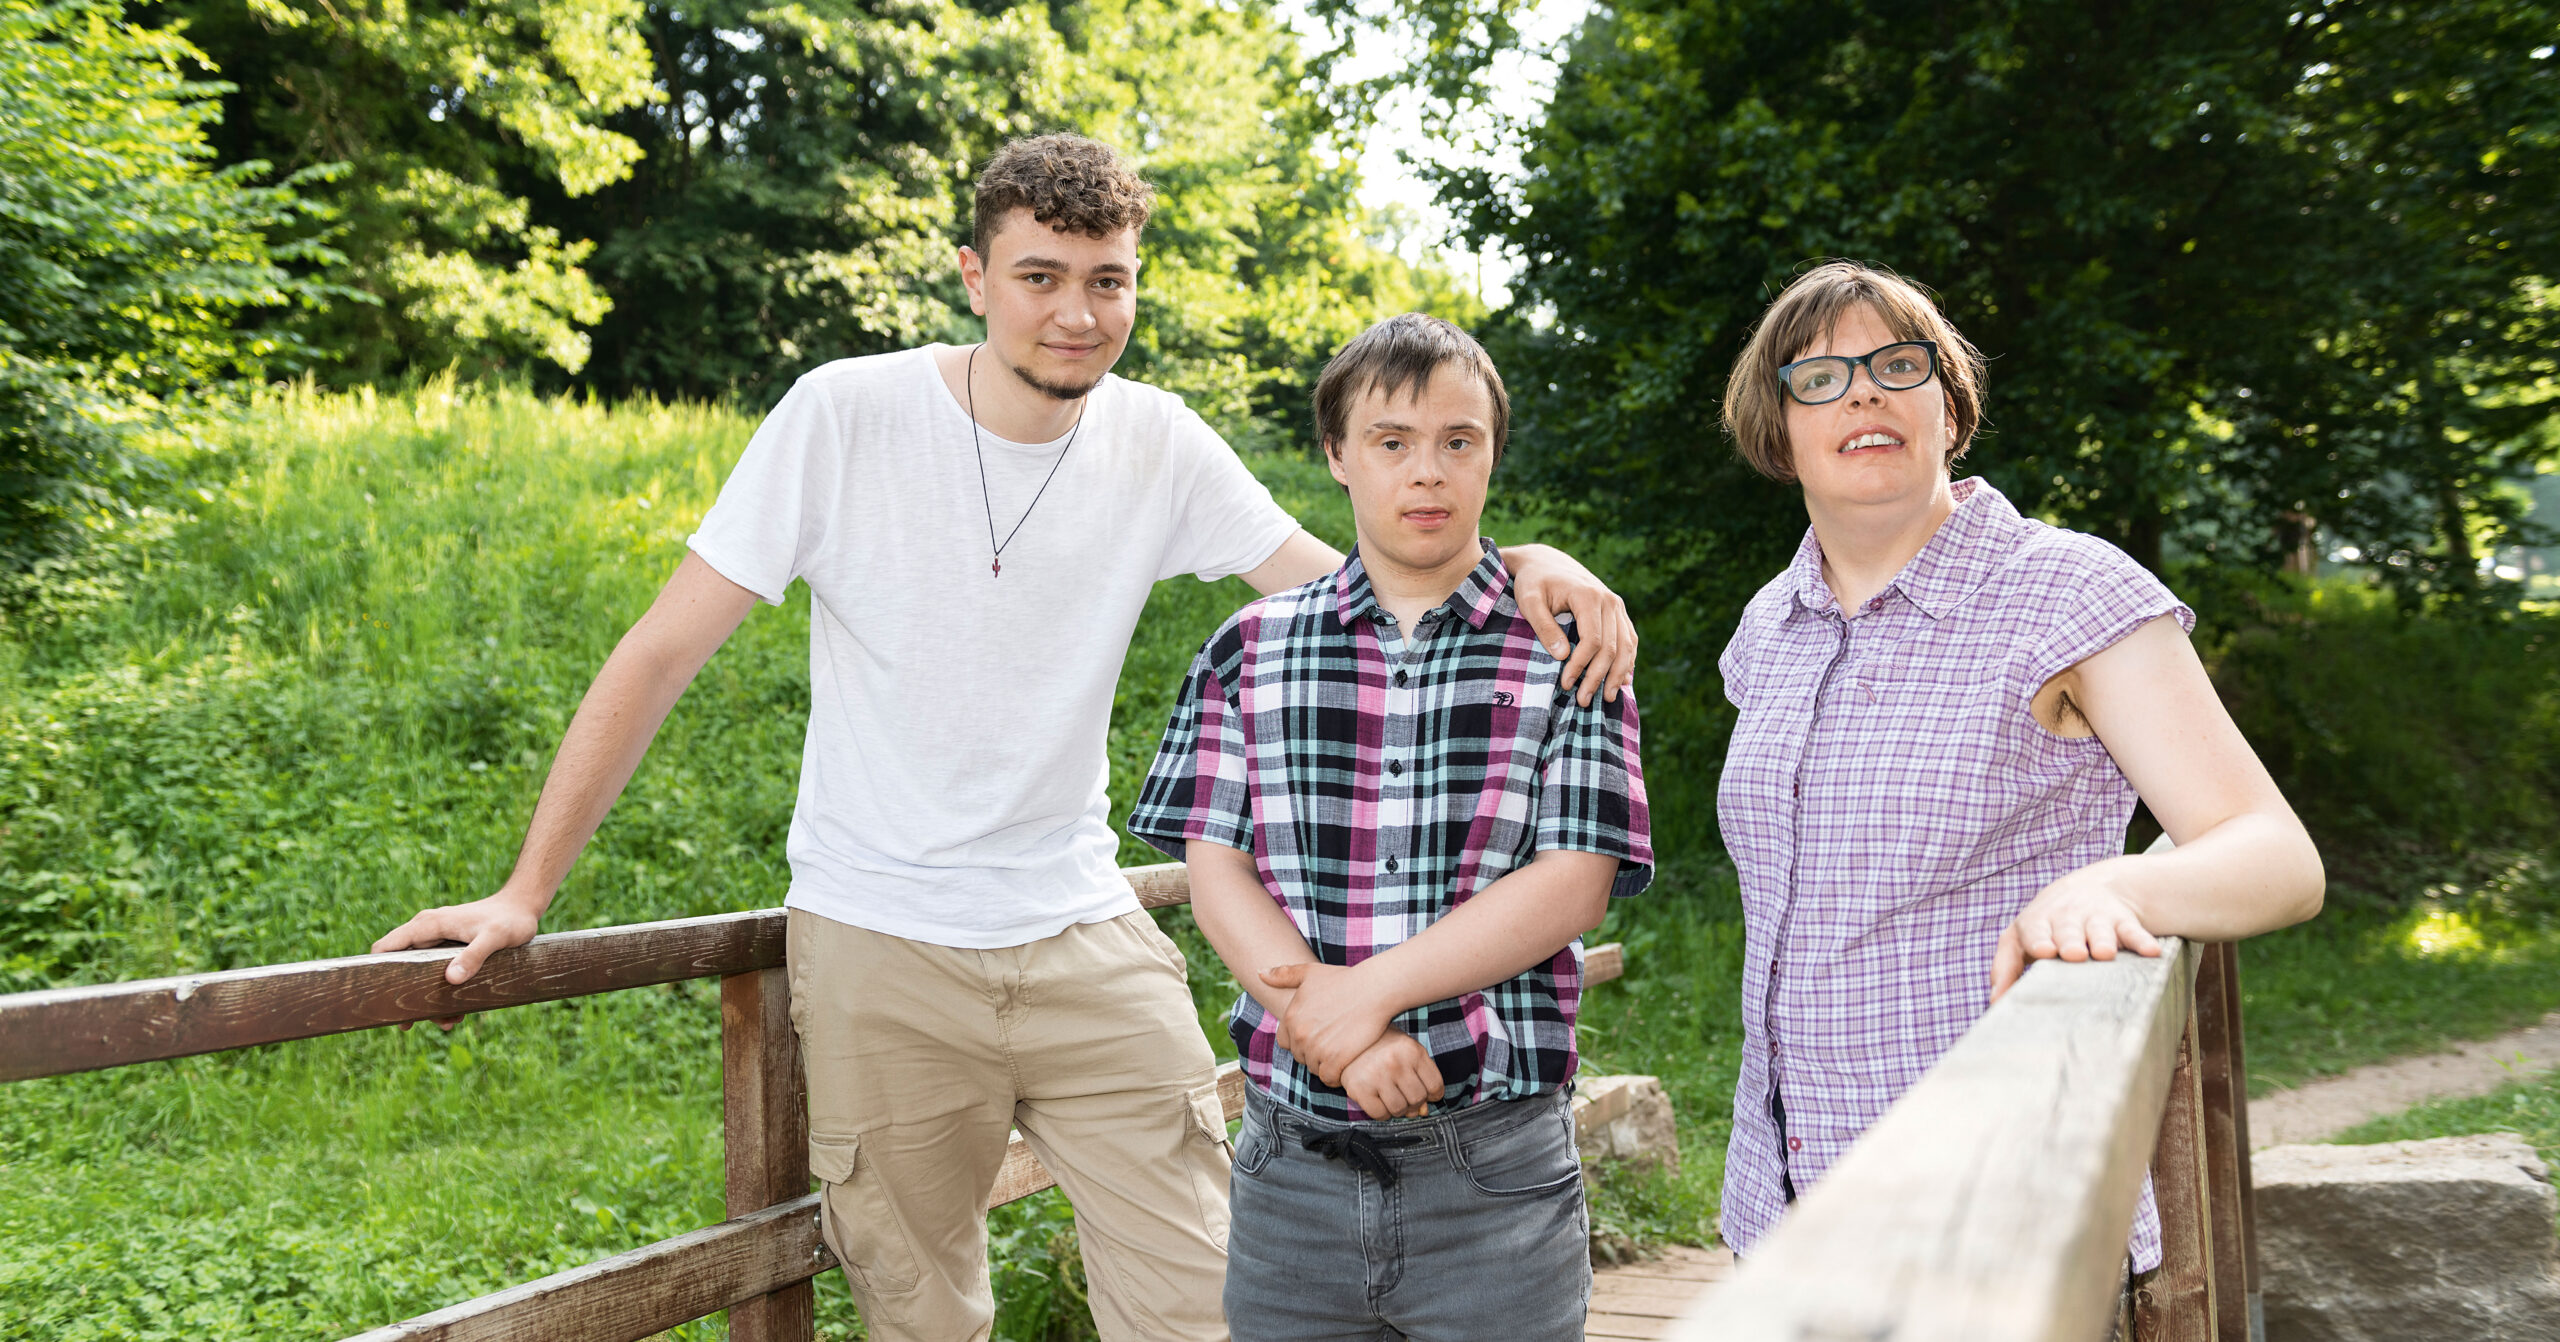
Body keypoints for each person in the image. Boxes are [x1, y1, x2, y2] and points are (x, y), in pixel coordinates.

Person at [367, 136, 1639, 1342]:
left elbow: (1366, 584)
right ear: (975, 276)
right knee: (922, 1311)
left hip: (1082, 930)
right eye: (1040, 277)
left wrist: (1526, 563)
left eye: (1107, 282)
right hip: (879, 939)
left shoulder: (1157, 439)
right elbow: (658, 653)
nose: (1076, 314)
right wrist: (527, 891)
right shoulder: (844, 415)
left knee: (1204, 1297)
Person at [1711, 261, 2324, 1277]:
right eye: (1817, 375)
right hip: (1781, 1204)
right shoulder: (1769, 626)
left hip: (1992, 1210)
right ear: (1779, 433)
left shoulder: (2066, 590)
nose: (1861, 390)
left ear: (1948, 410)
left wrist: (2118, 880)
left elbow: (2276, 858)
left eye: (1895, 365)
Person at [1127, 313, 1653, 1342]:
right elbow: (1217, 865)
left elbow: (1573, 882)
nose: (1428, 473)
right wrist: (1333, 1035)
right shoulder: (1249, 649)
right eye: (1392, 442)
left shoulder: (1567, 648)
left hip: (1493, 1170)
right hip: (1291, 1175)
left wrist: (1360, 998)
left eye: (1459, 441)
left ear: (1493, 453)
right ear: (1335, 454)